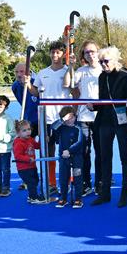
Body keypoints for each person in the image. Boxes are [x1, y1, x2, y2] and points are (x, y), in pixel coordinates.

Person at [90, 46, 127, 208]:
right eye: (100, 61)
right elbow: (103, 100)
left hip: (122, 121)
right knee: (104, 157)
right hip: (105, 121)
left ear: (115, 60)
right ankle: (105, 193)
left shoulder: (124, 76)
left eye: (106, 61)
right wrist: (93, 106)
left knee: (125, 157)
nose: (103, 64)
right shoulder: (102, 76)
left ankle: (124, 193)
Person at [28, 41, 69, 196]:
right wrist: (27, 84)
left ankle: (67, 181)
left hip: (64, 119)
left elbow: (75, 92)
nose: (54, 55)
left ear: (63, 54)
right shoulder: (42, 72)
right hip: (46, 119)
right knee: (48, 152)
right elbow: (35, 92)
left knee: (66, 151)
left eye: (58, 52)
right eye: (52, 52)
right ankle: (51, 182)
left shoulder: (68, 71)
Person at [66, 40, 102, 197]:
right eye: (87, 52)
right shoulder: (81, 70)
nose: (90, 54)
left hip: (101, 117)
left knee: (101, 151)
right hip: (84, 117)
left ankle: (100, 182)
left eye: (92, 51)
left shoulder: (104, 69)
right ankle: (86, 183)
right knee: (84, 152)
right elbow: (69, 84)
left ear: (98, 52)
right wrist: (71, 66)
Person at [51, 106, 86, 209]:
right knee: (63, 178)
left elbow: (79, 142)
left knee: (77, 178)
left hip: (77, 158)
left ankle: (78, 199)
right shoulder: (61, 128)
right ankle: (63, 198)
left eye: (72, 117)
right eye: (68, 118)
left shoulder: (78, 128)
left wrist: (69, 151)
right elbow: (53, 127)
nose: (70, 120)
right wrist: (62, 120)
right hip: (64, 158)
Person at [13, 120, 42, 204]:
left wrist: (43, 140)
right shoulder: (18, 143)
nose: (28, 132)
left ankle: (31, 196)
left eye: (29, 129)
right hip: (24, 169)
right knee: (31, 182)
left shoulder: (30, 139)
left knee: (36, 181)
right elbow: (18, 156)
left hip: (32, 166)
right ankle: (33, 197)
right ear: (18, 133)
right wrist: (28, 159)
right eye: (24, 130)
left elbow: (37, 146)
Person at [12, 61, 39, 137]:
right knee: (26, 141)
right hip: (28, 120)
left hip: (41, 119)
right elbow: (22, 103)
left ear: (28, 72)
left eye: (21, 71)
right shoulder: (15, 86)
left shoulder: (37, 82)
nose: (19, 74)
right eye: (16, 72)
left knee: (44, 141)